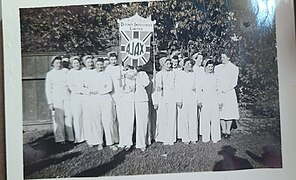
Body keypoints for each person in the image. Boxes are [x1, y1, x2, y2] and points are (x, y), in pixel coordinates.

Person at [88, 59, 118, 151]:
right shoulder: (91, 74)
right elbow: (90, 87)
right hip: (95, 99)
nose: (100, 66)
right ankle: (99, 142)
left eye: (101, 65)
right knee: (97, 120)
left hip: (106, 98)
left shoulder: (107, 74)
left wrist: (99, 91)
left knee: (108, 120)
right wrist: (97, 90)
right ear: (95, 65)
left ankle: (111, 142)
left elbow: (109, 87)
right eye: (98, 65)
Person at [120, 65, 150, 151]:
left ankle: (141, 143)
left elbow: (146, 83)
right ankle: (128, 142)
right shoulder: (124, 74)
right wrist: (128, 89)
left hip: (141, 99)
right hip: (128, 99)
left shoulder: (142, 73)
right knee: (128, 121)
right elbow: (121, 86)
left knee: (142, 121)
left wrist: (137, 75)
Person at [45, 56, 74, 144]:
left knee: (68, 117)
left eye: (60, 62)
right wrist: (50, 102)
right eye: (56, 63)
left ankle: (70, 137)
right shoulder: (50, 74)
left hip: (67, 96)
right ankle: (60, 139)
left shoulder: (66, 71)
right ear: (53, 64)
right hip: (56, 98)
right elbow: (48, 89)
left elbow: (71, 83)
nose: (58, 64)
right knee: (58, 119)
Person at [152, 57, 181, 145]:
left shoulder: (173, 74)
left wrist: (177, 99)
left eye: (170, 64)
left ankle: (171, 138)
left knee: (172, 117)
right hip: (162, 98)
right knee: (162, 117)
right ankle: (163, 137)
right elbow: (156, 89)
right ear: (162, 65)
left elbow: (177, 87)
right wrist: (155, 102)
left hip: (172, 98)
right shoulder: (159, 75)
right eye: (167, 64)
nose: (169, 66)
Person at [215, 53, 239, 139]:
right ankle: (223, 130)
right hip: (219, 92)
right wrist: (218, 90)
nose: (222, 59)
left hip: (229, 92)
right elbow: (216, 80)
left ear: (229, 58)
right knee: (221, 111)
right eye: (221, 57)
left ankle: (228, 131)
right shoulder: (217, 68)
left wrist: (225, 89)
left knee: (229, 111)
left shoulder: (234, 68)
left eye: (224, 57)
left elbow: (234, 82)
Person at [198, 59, 222, 143]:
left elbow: (219, 89)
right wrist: (200, 100)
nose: (210, 68)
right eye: (209, 66)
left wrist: (220, 101)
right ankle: (206, 137)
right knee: (205, 118)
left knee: (215, 117)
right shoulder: (202, 77)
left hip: (214, 98)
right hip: (205, 98)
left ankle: (215, 137)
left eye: (212, 66)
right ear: (205, 67)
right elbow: (199, 89)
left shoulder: (216, 76)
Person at [177, 58, 199, 144]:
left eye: (191, 64)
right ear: (184, 65)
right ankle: (185, 138)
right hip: (183, 98)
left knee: (193, 117)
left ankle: (193, 137)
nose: (190, 65)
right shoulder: (180, 75)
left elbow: (197, 86)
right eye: (188, 64)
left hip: (192, 98)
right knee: (184, 118)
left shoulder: (194, 74)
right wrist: (179, 100)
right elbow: (178, 88)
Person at [67, 56, 85, 143]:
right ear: (72, 64)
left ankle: (86, 136)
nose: (76, 65)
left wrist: (84, 90)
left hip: (85, 96)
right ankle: (79, 137)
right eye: (74, 63)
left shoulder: (83, 71)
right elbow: (71, 86)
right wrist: (80, 90)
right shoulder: (70, 73)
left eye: (77, 63)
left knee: (85, 116)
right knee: (77, 117)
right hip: (76, 97)